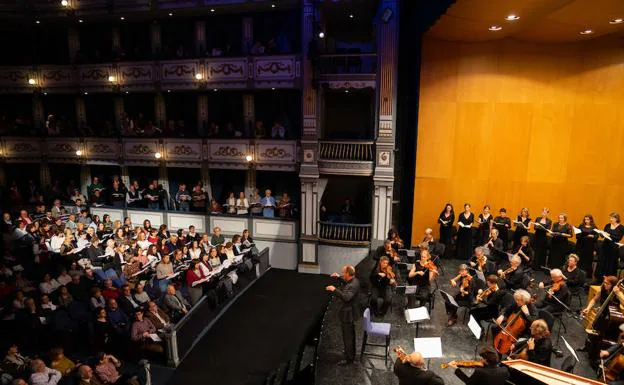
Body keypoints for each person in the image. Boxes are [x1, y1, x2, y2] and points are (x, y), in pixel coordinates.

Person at [326, 265, 360, 365]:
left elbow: (346, 297)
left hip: (348, 314)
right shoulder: (354, 280)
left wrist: (334, 289)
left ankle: (349, 359)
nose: (342, 274)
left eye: (343, 273)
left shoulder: (352, 286)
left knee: (348, 337)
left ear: (348, 274)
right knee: (350, 336)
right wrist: (339, 277)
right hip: (350, 312)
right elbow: (347, 282)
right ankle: (350, 354)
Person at [596, 213, 624, 279]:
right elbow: (603, 235)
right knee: (602, 262)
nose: (610, 219)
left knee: (610, 263)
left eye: (612, 218)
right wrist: (602, 233)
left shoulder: (621, 227)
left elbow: (619, 238)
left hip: (613, 247)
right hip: (605, 246)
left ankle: (609, 279)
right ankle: (600, 278)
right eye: (610, 218)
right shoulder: (608, 225)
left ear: (616, 219)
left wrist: (609, 235)